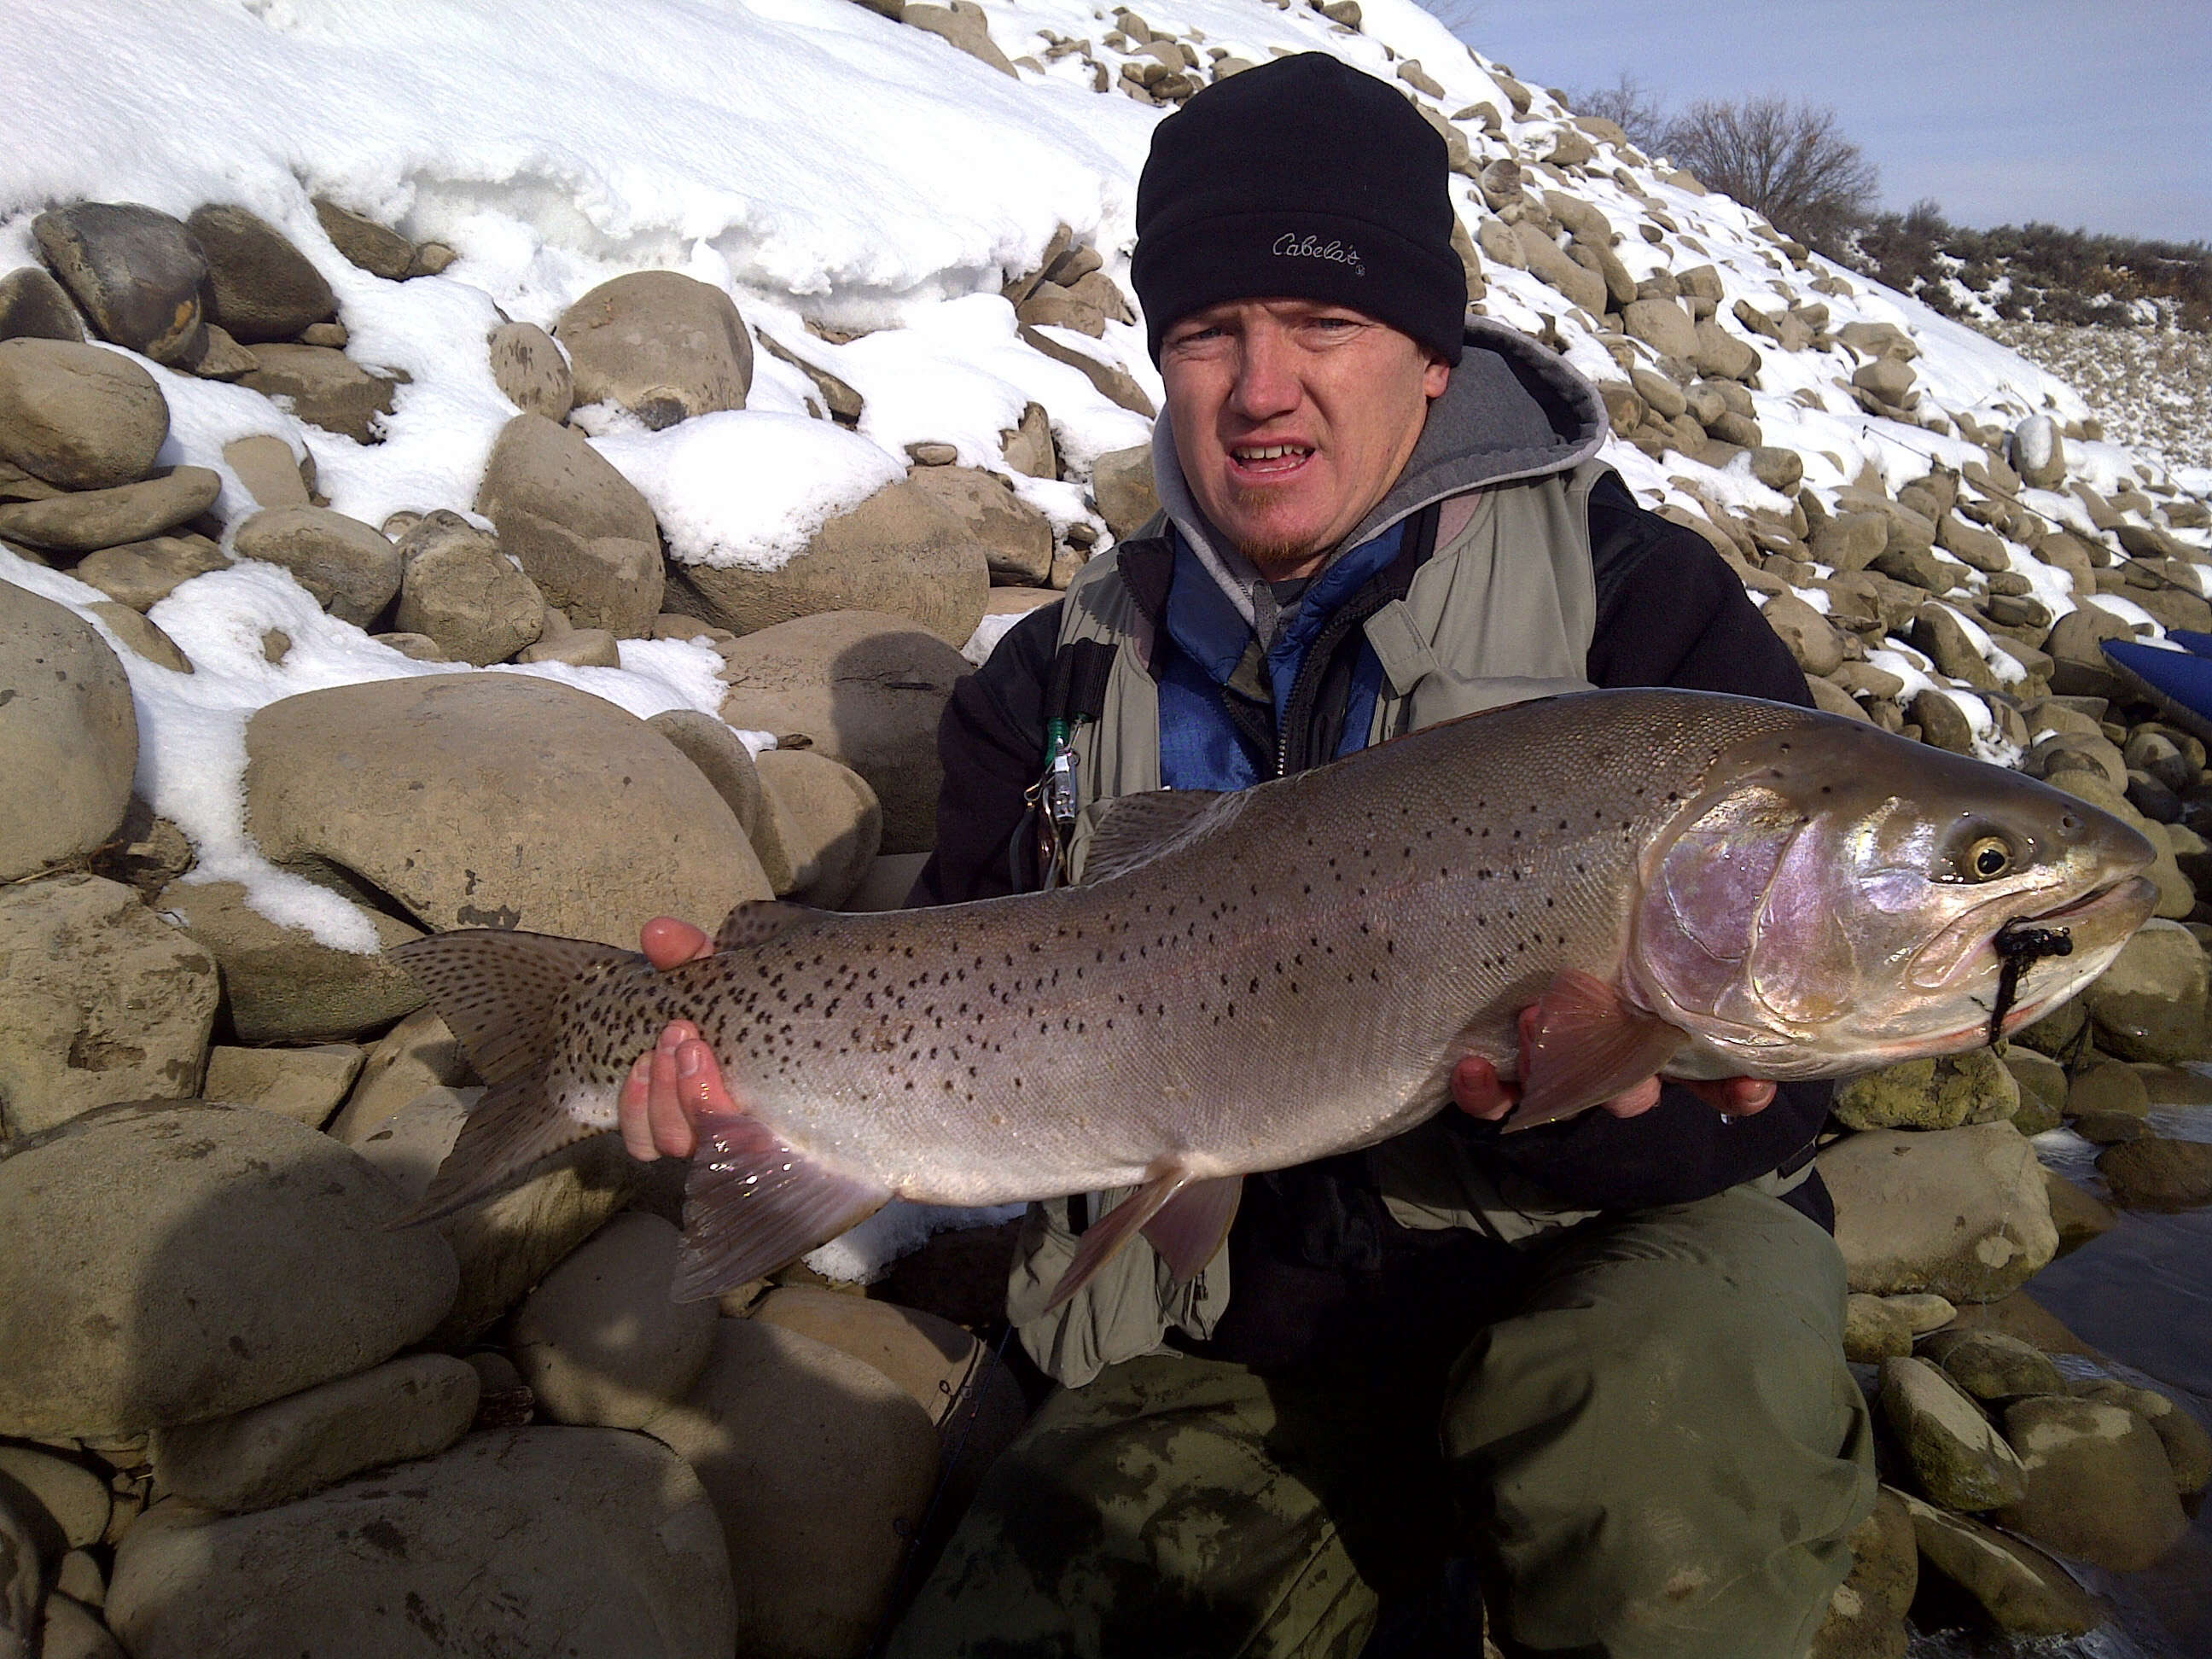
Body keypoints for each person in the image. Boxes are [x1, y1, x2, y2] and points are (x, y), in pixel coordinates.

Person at [620, 53, 1875, 1659]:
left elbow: (1802, 1079)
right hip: (1237, 1338)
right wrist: (755, 1073)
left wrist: (1596, 1118)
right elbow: (954, 995)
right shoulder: (1054, 676)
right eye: (1210, 332)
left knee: (1665, 1443)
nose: (1261, 385)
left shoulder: (1645, 616)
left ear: (1433, 355)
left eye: (1325, 326)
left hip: (1609, 1276)